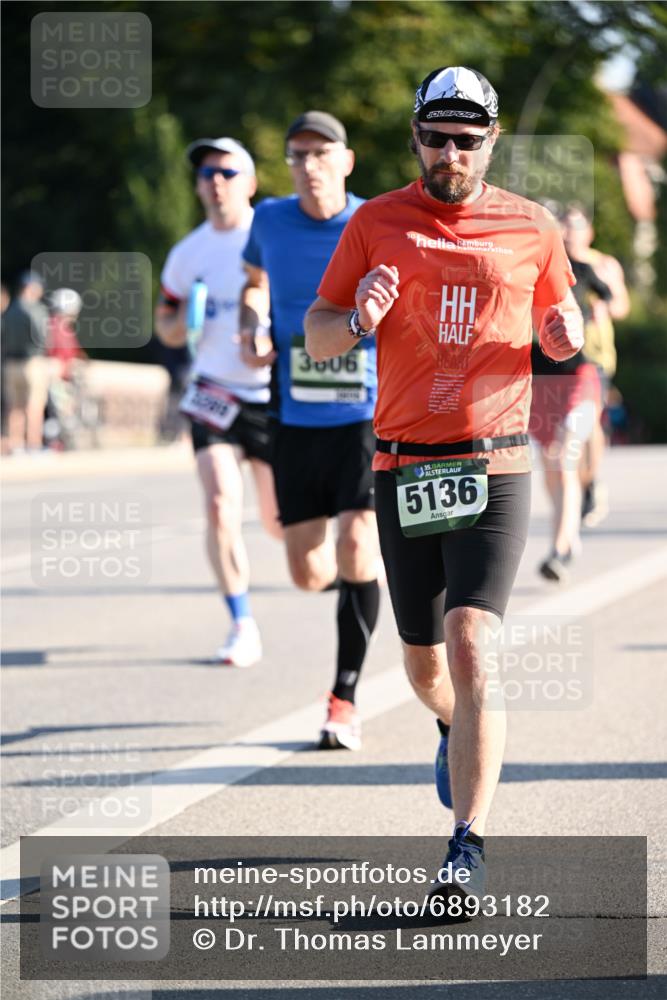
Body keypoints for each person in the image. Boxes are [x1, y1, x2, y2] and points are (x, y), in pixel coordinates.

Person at [304, 66, 583, 901]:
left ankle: (466, 844)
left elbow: (560, 330)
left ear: (490, 142)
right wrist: (357, 318)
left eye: (467, 139)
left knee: (472, 640)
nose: (450, 152)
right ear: (415, 138)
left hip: (494, 460)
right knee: (426, 663)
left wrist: (564, 336)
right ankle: (451, 727)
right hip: (403, 464)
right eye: (436, 136)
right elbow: (318, 337)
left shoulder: (532, 227)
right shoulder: (375, 222)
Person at [240, 111, 381, 751]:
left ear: (345, 161)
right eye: (298, 154)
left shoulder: (373, 222)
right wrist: (251, 322)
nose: (310, 164)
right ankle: (365, 585)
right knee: (305, 571)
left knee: (356, 543)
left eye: (322, 152)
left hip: (365, 412)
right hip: (294, 414)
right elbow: (253, 281)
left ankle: (343, 698)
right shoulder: (267, 219)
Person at [155, 137, 281, 667]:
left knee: (282, 523)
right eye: (207, 172)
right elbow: (165, 325)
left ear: (249, 183)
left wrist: (273, 342)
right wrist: (184, 324)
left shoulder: (275, 236)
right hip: (213, 393)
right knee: (218, 505)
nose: (215, 181)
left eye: (227, 172)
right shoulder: (188, 252)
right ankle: (241, 621)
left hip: (273, 396)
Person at [530, 249, 612, 582]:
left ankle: (560, 549)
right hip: (538, 382)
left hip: (579, 377)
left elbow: (612, 301)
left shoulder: (577, 270)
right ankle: (570, 533)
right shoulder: (518, 273)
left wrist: (595, 317)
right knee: (553, 467)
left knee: (564, 457)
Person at [560, 204, 630, 527]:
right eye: (565, 226)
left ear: (589, 232)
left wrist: (604, 307)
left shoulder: (602, 264)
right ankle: (581, 483)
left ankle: (590, 483)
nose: (569, 233)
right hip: (562, 356)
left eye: (575, 227)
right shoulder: (556, 262)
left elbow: (621, 305)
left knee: (589, 422)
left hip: (597, 355)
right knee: (570, 427)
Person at [1, 271, 51, 453]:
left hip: (10, 364)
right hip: (32, 363)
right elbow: (42, 337)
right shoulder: (36, 310)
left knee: (13, 407)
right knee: (34, 406)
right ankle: (33, 444)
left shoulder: (10, 310)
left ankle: (16, 444)